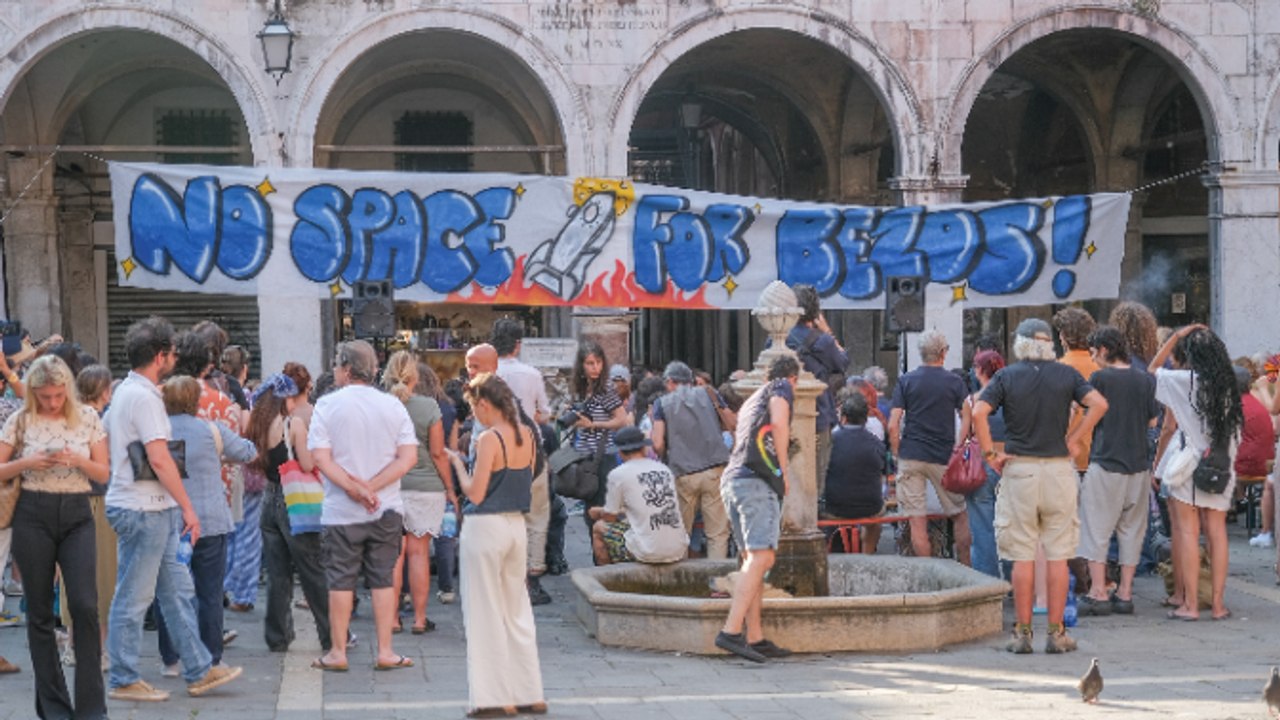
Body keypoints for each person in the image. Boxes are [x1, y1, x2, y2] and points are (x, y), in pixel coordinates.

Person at [104, 316, 243, 701]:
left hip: (148, 505)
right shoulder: (145, 398)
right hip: (144, 507)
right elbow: (160, 458)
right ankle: (124, 677)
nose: (175, 358)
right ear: (161, 356)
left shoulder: (129, 392)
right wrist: (188, 508)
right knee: (135, 596)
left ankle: (199, 668)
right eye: (171, 353)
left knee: (177, 592)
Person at [974, 318, 1108, 654]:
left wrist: (990, 454)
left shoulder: (1007, 376)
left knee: (1022, 556)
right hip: (1058, 469)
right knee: (1058, 555)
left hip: (1020, 469)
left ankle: (1022, 634)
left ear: (1020, 344)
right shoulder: (1066, 374)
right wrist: (1074, 438)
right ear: (1049, 344)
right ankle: (1056, 633)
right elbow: (1099, 404)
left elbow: (978, 412)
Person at [0, 356, 109, 717]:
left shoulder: (88, 417)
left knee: (85, 605)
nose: (52, 402)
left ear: (68, 390)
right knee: (40, 612)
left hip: (77, 513)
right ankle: (54, 707)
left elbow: (103, 473)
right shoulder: (20, 419)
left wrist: (78, 461)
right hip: (32, 513)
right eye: (45, 396)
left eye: (58, 395)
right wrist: (28, 463)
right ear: (33, 392)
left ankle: (92, 708)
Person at [309, 340, 417, 672]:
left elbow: (321, 459)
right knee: (383, 578)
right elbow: (408, 458)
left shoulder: (326, 405)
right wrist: (373, 487)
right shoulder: (393, 406)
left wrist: (354, 489)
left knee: (341, 579)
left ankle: (337, 652)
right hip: (385, 507)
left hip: (341, 511)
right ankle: (385, 650)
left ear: (345, 368)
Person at [451, 373, 546, 717]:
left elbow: (475, 493)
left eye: (473, 407)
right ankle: (529, 692)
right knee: (517, 610)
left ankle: (493, 698)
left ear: (484, 404)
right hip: (516, 526)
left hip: (485, 527)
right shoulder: (528, 435)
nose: (473, 414)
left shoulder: (489, 439)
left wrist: (458, 464)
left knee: (484, 611)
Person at [156, 376, 257, 672]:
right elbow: (248, 452)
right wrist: (220, 456)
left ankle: (171, 659)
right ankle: (212, 657)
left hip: (170, 520)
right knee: (210, 593)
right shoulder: (211, 430)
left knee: (169, 592)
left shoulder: (157, 433)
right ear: (194, 401)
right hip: (210, 520)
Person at [1150, 324, 1242, 622]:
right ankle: (1218, 605)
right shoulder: (1227, 384)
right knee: (1217, 533)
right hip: (1221, 464)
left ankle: (1190, 605)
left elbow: (1152, 370)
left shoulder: (1185, 380)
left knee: (1189, 533)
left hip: (1189, 466)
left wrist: (1176, 336)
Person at [714, 354, 800, 664]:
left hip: (733, 481)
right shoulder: (781, 388)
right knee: (762, 557)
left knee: (754, 559)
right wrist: (783, 471)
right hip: (756, 482)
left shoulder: (753, 398)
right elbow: (778, 422)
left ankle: (755, 636)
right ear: (793, 379)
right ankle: (731, 631)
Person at [1074, 326, 1159, 618]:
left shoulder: (1100, 379)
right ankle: (1125, 593)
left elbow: (1087, 410)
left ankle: (1098, 592)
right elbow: (1152, 422)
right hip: (1139, 465)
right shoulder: (1145, 379)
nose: (1092, 358)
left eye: (1094, 352)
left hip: (1106, 460)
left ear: (1105, 350)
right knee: (1132, 530)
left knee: (1096, 528)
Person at [251, 372, 335, 653]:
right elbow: (309, 464)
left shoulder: (259, 426)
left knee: (277, 574)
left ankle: (277, 636)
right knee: (312, 570)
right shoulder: (293, 424)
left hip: (269, 500)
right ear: (284, 399)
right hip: (294, 501)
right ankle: (332, 634)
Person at [382, 351, 454, 634]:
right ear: (415, 376)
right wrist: (450, 489)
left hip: (390, 486)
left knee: (393, 556)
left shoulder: (381, 406)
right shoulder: (428, 407)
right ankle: (420, 619)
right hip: (426, 487)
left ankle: (392, 619)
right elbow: (438, 453)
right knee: (419, 553)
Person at [888, 329, 972, 564]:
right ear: (943, 353)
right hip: (943, 456)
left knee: (917, 521)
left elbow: (893, 424)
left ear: (921, 353)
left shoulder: (906, 381)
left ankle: (928, 575)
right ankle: (967, 570)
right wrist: (959, 445)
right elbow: (967, 415)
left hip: (911, 455)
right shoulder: (954, 382)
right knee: (959, 514)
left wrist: (897, 453)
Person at [492, 318, 555, 606]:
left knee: (500, 515)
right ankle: (532, 578)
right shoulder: (531, 374)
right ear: (518, 345)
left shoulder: (488, 374)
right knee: (536, 516)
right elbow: (544, 413)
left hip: (496, 451)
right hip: (530, 451)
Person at [651, 361, 732, 558]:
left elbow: (657, 443)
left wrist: (666, 454)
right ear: (691, 380)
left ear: (670, 381)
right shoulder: (710, 393)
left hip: (683, 473)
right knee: (717, 534)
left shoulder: (662, 403)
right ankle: (717, 576)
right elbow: (732, 422)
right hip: (714, 469)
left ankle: (681, 575)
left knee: (680, 534)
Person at [589, 426, 687, 564]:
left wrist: (599, 512)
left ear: (620, 453)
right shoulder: (664, 469)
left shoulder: (618, 474)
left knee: (599, 528)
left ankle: (608, 574)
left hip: (648, 552)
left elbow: (610, 517)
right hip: (679, 549)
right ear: (644, 449)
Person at [785, 284, 848, 498]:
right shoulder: (823, 341)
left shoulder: (777, 340)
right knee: (817, 476)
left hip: (785, 414)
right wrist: (827, 330)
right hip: (819, 415)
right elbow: (843, 362)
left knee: (788, 474)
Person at [955, 350, 1006, 579]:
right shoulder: (1013, 396)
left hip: (982, 463)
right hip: (1011, 461)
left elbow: (962, 439)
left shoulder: (972, 401)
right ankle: (1016, 579)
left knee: (982, 526)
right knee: (1014, 526)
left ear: (979, 371)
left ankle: (988, 581)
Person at [570, 341, 627, 528]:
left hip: (603, 455)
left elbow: (622, 419)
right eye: (590, 363)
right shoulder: (581, 389)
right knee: (589, 507)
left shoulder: (605, 389)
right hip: (585, 454)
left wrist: (594, 424)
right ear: (582, 365)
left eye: (598, 362)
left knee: (601, 507)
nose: (595, 368)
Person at [822, 393, 887, 554]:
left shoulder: (829, 442)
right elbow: (881, 474)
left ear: (843, 418)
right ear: (865, 419)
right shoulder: (876, 443)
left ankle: (827, 552)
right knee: (875, 523)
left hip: (835, 507)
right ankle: (867, 555)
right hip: (870, 507)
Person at [1054, 307, 1100, 474]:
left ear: (1065, 336)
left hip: (1068, 454)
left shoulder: (1057, 369)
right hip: (1099, 454)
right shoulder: (1101, 366)